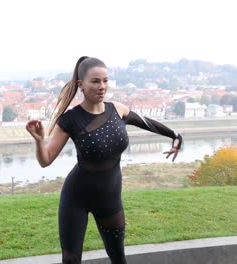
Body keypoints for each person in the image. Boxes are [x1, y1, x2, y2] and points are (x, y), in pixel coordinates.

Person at [25, 56, 182, 264]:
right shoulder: (70, 119)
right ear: (81, 85)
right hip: (76, 198)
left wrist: (175, 136)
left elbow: (149, 124)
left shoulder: (117, 109)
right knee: (71, 261)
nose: (102, 86)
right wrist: (39, 141)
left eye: (105, 81)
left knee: (118, 257)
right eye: (95, 81)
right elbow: (46, 160)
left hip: (109, 198)